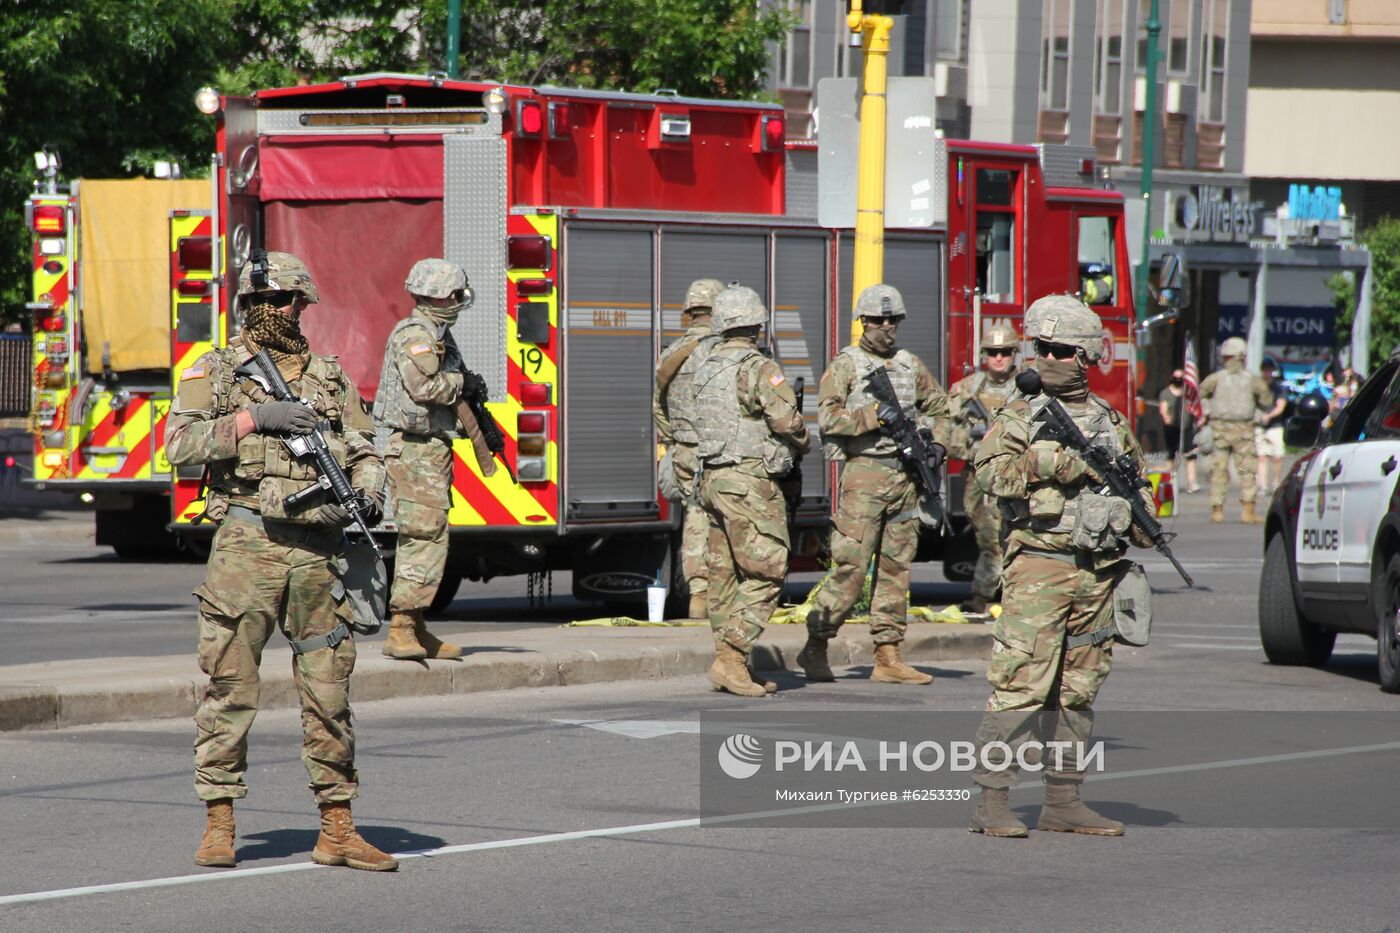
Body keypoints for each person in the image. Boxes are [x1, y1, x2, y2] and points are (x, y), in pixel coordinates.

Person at [166, 250, 397, 871]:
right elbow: (178, 446)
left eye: (290, 302)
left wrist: (371, 490)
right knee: (230, 687)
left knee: (329, 691)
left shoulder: (327, 375)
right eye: (270, 302)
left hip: (318, 552)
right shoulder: (215, 370)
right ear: (251, 305)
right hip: (246, 546)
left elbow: (363, 446)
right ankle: (219, 821)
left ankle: (337, 826)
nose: (281, 311)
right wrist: (251, 418)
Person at [967, 294, 1153, 838]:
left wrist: (1138, 514)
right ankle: (993, 800)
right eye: (1041, 348)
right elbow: (988, 476)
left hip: (1096, 571)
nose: (1047, 358)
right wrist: (1051, 461)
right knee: (1022, 683)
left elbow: (1137, 483)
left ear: (1088, 356)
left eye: (1062, 350)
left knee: (1078, 690)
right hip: (1040, 566)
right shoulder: (1020, 414)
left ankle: (1063, 800)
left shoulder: (1109, 422)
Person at [797, 284, 951, 685]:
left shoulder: (909, 365)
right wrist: (874, 416)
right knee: (850, 567)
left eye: (893, 320)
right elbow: (828, 418)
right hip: (864, 474)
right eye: (879, 320)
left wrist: (936, 443)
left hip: (905, 477)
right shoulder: (846, 365)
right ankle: (815, 645)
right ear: (863, 322)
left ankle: (888, 655)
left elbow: (941, 408)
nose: (887, 327)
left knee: (895, 569)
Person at [694, 284, 810, 697]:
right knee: (768, 569)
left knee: (724, 576)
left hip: (711, 481)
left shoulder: (705, 367)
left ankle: (734, 664)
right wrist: (803, 437)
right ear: (758, 324)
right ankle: (730, 658)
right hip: (747, 483)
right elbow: (786, 422)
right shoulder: (759, 368)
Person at [373, 258, 474, 660]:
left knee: (431, 535)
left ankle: (416, 626)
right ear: (441, 296)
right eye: (454, 294)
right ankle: (401, 627)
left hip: (429, 448)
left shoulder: (437, 333)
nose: (459, 301)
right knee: (423, 537)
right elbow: (423, 387)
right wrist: (462, 383)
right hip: (413, 450)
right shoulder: (416, 335)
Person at [653, 278, 726, 620]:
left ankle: (699, 594)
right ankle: (724, 594)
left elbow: (658, 407)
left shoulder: (671, 354)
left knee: (695, 517)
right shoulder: (725, 352)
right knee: (729, 520)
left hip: (685, 449)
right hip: (722, 452)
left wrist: (677, 440)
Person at [949, 325, 1019, 615]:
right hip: (979, 476)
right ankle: (989, 594)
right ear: (984, 355)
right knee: (988, 536)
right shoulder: (967, 390)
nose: (999, 358)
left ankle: (986, 594)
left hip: (1016, 474)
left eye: (1005, 352)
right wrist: (972, 446)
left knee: (1014, 536)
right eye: (993, 352)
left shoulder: (1027, 389)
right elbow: (948, 431)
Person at [1198, 336, 1272, 524]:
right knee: (1222, 470)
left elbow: (1266, 401)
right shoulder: (1222, 378)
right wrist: (1207, 411)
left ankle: (1243, 510)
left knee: (1241, 471)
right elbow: (1201, 393)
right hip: (1226, 429)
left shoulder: (1245, 380)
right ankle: (1221, 509)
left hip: (1241, 429)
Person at [1157, 368, 1200, 493]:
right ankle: (1169, 481)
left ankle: (1192, 482)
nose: (1178, 380)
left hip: (1186, 428)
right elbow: (1164, 409)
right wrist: (1167, 419)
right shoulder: (1166, 393)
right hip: (1172, 428)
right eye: (1176, 377)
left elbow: (1194, 407)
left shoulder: (1188, 393)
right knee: (1171, 454)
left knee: (1190, 454)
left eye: (1181, 377)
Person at [1255, 361, 1290, 495]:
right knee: (1261, 456)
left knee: (1277, 456)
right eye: (1265, 370)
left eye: (1269, 370)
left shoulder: (1278, 388)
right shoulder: (1257, 387)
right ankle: (1262, 485)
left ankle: (1275, 482)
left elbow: (1281, 406)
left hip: (1275, 426)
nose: (1267, 372)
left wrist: (1269, 416)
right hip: (1259, 426)